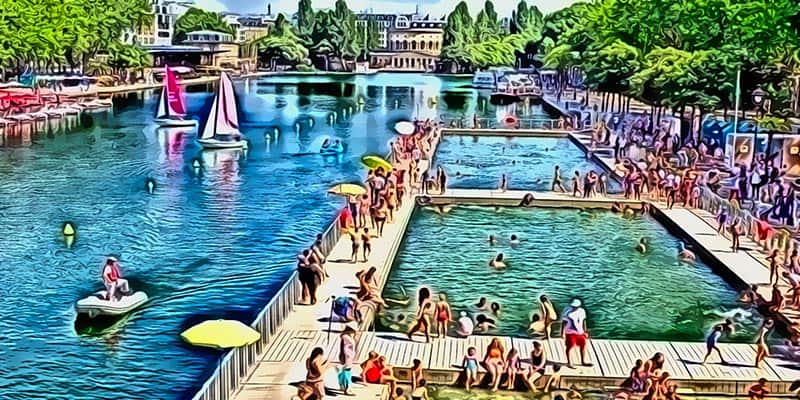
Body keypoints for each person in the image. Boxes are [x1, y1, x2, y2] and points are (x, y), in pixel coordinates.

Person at [562, 299, 591, 368]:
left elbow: (584, 321)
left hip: (580, 332)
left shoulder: (582, 311)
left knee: (583, 346)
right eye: (573, 306)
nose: (574, 308)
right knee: (569, 347)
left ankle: (583, 361)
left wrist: (585, 331)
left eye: (575, 306)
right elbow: (564, 322)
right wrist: (562, 332)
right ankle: (569, 362)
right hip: (570, 332)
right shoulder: (567, 312)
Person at [338, 326, 356, 395]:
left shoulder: (347, 336)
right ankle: (347, 387)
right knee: (347, 370)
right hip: (348, 355)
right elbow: (344, 347)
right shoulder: (346, 337)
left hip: (349, 355)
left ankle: (343, 385)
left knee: (346, 370)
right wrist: (346, 355)